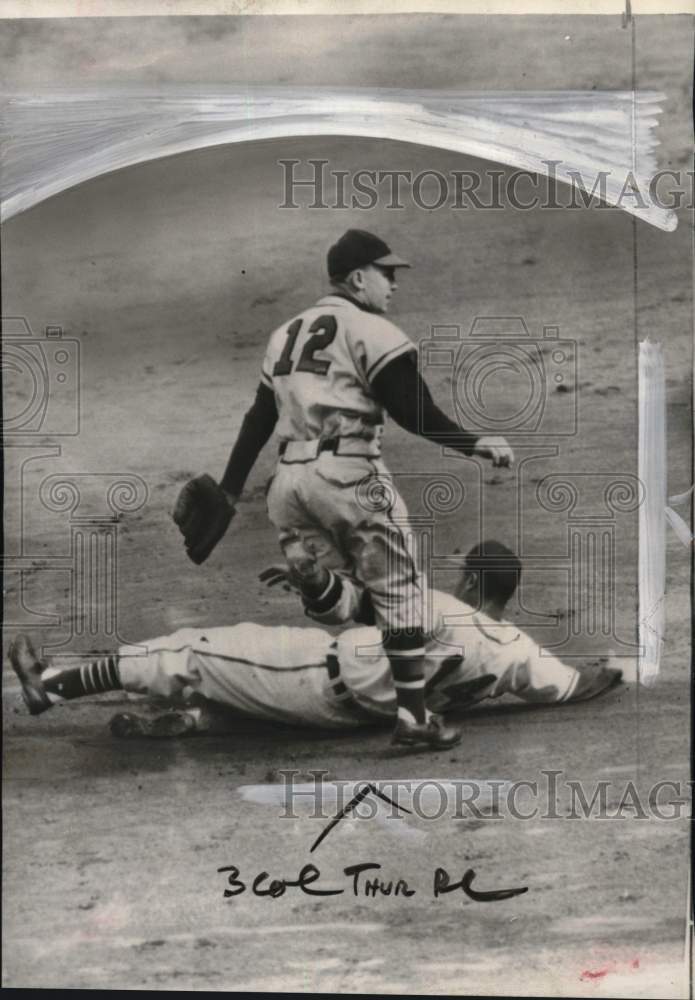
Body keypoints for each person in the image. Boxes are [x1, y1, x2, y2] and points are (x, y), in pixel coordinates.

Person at [190, 229, 514, 751]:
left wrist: (230, 491)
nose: (393, 284)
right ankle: (412, 720)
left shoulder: (283, 334)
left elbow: (258, 418)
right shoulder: (374, 331)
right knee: (400, 592)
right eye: (387, 274)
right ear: (357, 278)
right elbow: (414, 414)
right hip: (349, 477)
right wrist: (474, 441)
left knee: (347, 593)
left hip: (288, 486)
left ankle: (318, 585)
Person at [8, 541, 622, 740]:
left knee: (195, 651)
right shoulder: (518, 651)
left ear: (468, 579)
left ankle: (51, 687)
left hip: (314, 679)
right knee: (228, 687)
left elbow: (349, 606)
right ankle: (193, 720)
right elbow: (576, 686)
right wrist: (612, 669)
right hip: (352, 718)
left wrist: (314, 578)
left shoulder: (439, 607)